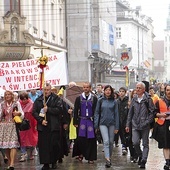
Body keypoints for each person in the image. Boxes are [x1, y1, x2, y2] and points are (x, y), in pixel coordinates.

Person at [32, 83, 63, 170]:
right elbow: (34, 112)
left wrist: (48, 109)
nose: (46, 91)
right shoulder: (39, 100)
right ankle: (45, 163)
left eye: (48, 90)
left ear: (50, 89)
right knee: (43, 146)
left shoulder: (56, 98)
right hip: (43, 126)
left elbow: (59, 110)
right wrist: (41, 121)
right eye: (45, 90)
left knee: (54, 144)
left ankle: (54, 161)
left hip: (53, 125)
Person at [125, 82, 155, 169]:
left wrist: (147, 121)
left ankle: (143, 160)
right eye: (136, 88)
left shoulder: (148, 99)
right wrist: (127, 124)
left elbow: (152, 112)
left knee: (145, 144)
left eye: (139, 88)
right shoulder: (134, 99)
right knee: (135, 142)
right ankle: (140, 155)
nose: (137, 89)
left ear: (143, 89)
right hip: (135, 125)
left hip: (145, 125)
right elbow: (130, 113)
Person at [94, 85, 119, 168]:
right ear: (104, 91)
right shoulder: (100, 100)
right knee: (106, 141)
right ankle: (107, 159)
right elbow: (97, 113)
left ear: (111, 91)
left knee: (111, 142)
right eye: (106, 90)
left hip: (112, 123)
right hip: (102, 123)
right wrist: (96, 124)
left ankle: (109, 156)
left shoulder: (114, 101)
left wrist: (117, 127)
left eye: (109, 90)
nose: (108, 91)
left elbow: (116, 114)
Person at [72, 82, 98, 164]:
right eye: (84, 87)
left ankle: (91, 157)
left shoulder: (94, 98)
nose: (86, 89)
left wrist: (96, 123)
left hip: (91, 121)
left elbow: (96, 111)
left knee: (91, 139)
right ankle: (80, 153)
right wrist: (75, 121)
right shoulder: (79, 98)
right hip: (81, 121)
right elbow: (75, 110)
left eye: (87, 87)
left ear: (90, 88)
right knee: (81, 139)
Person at [0, 90, 24, 170]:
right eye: (6, 95)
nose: (7, 96)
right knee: (6, 145)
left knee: (13, 144)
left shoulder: (16, 103)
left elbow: (22, 113)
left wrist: (18, 114)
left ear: (12, 95)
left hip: (13, 126)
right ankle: (10, 163)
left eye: (9, 94)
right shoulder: (2, 104)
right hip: (4, 126)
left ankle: (12, 164)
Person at [153, 84, 170, 170]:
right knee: (165, 144)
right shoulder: (159, 101)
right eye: (167, 90)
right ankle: (167, 162)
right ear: (165, 91)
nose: (169, 92)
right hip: (163, 124)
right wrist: (160, 114)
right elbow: (154, 113)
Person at [19, 92, 38, 162]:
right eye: (22, 99)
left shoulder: (32, 104)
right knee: (22, 139)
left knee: (31, 139)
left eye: (25, 99)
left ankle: (31, 153)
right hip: (22, 124)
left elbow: (34, 114)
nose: (24, 101)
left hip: (31, 124)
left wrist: (36, 124)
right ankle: (23, 154)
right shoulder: (18, 104)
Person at [117, 87, 129, 155]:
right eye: (120, 91)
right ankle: (124, 146)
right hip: (119, 120)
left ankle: (126, 145)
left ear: (125, 92)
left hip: (126, 120)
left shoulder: (128, 101)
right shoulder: (117, 101)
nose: (121, 93)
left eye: (123, 91)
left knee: (127, 134)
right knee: (121, 134)